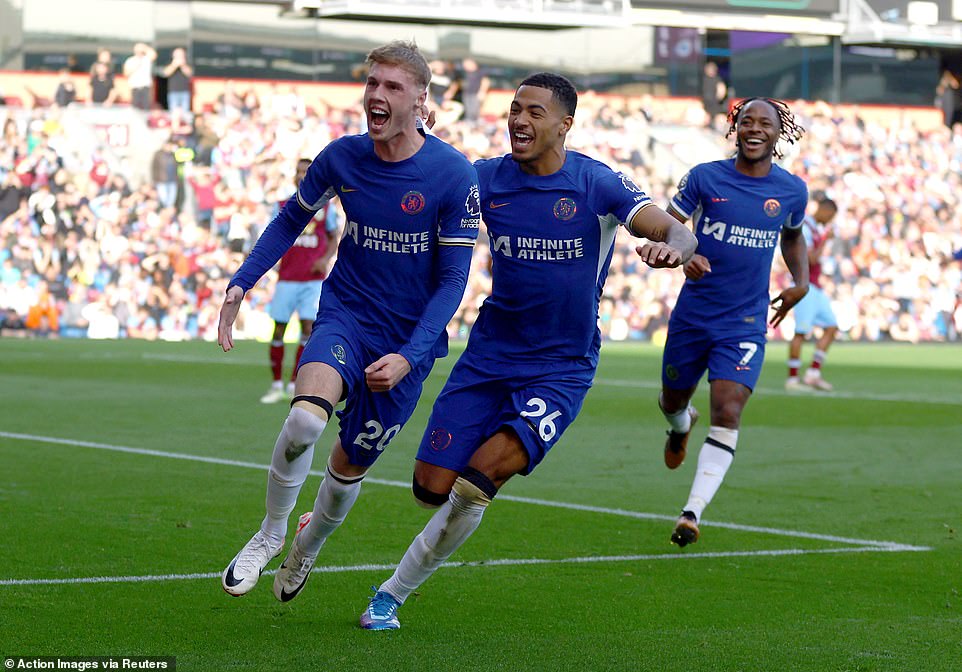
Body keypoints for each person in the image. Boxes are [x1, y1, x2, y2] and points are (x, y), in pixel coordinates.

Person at [349, 72, 697, 630]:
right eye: (515, 109)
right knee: (428, 488)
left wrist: (675, 246)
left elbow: (671, 227)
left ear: (565, 124)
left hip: (561, 368)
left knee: (476, 481)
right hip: (488, 357)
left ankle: (391, 595)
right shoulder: (485, 179)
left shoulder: (596, 183)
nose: (519, 120)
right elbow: (423, 186)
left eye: (535, 112)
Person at [217, 41, 480, 603]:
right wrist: (244, 279)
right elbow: (291, 220)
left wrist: (411, 354)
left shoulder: (453, 175)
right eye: (372, 84)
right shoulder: (341, 157)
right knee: (306, 424)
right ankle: (268, 534)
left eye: (392, 87)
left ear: (420, 100)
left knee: (347, 468)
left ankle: (306, 550)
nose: (377, 96)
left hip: (409, 343)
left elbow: (453, 281)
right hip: (346, 316)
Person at [657, 97, 809, 549]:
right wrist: (687, 253)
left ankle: (692, 512)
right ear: (735, 128)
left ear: (779, 133)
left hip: (744, 322)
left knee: (728, 409)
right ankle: (681, 426)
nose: (755, 128)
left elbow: (794, 236)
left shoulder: (792, 191)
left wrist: (801, 281)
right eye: (747, 121)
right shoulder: (704, 178)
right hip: (694, 315)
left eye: (765, 122)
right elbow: (670, 225)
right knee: (670, 401)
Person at [259, 157, 340, 404]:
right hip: (287, 277)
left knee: (308, 329)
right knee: (279, 328)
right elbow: (274, 235)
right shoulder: (282, 205)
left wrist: (325, 259)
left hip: (313, 280)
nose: (302, 176)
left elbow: (334, 237)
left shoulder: (326, 208)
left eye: (307, 172)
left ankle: (295, 382)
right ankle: (275, 384)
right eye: (299, 172)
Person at [786, 196, 839, 392]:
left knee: (832, 327)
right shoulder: (806, 227)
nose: (830, 220)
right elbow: (811, 259)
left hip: (815, 287)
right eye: (830, 216)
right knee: (801, 333)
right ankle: (792, 380)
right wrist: (826, 241)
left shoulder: (816, 228)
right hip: (803, 285)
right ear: (824, 210)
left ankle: (813, 374)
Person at [124, 42, 157, 111]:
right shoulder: (130, 60)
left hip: (145, 87)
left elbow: (154, 54)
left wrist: (144, 47)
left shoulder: (146, 59)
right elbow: (126, 73)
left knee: (146, 107)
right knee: (135, 108)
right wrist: (135, 66)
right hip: (135, 87)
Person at [163, 48, 193, 115]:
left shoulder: (187, 62)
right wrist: (174, 65)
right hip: (173, 91)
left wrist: (183, 65)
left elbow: (189, 73)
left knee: (185, 113)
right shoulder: (169, 62)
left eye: (181, 54)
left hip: (185, 91)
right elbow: (166, 73)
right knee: (173, 113)